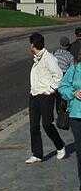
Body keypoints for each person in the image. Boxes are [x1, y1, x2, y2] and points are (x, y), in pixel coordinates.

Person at [26, 32, 66, 164]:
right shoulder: (37, 58)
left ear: (33, 45)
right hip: (34, 95)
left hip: (45, 96)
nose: (29, 46)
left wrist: (51, 90)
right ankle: (37, 154)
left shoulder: (48, 58)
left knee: (47, 124)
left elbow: (59, 75)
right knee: (34, 126)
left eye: (30, 44)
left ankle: (60, 145)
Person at [58, 53, 81, 190]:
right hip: (77, 115)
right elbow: (62, 87)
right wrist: (74, 93)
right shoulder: (74, 69)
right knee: (80, 150)